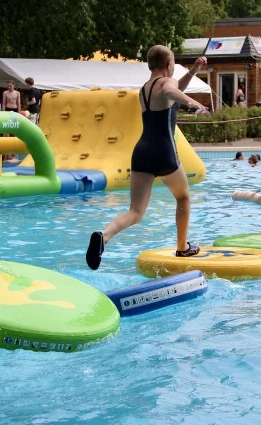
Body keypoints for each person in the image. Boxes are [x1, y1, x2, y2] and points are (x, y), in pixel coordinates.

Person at [85, 48, 208, 270]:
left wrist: (194, 70)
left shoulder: (145, 88)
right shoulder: (165, 84)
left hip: (142, 152)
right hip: (164, 151)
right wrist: (195, 103)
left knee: (135, 212)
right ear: (168, 63)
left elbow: (173, 88)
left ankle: (104, 236)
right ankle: (182, 247)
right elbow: (173, 91)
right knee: (183, 197)